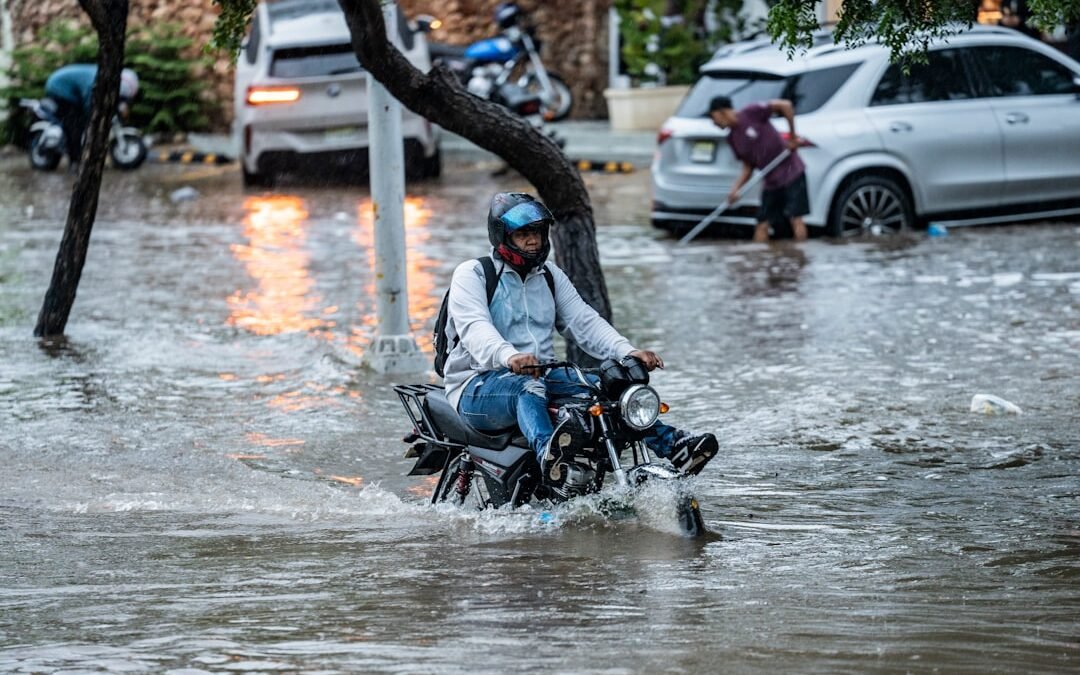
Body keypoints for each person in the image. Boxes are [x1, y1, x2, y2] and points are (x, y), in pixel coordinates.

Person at [442, 192, 719, 482]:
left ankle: (676, 446)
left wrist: (627, 351)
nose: (533, 241)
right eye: (523, 234)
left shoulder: (549, 275)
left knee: (611, 387)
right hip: (478, 384)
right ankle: (552, 463)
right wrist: (508, 356)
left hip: (542, 375)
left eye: (537, 232)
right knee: (528, 388)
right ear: (502, 235)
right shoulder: (473, 274)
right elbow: (475, 328)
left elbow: (583, 321)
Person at [709, 96, 808, 243]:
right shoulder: (732, 139)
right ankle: (760, 261)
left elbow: (785, 105)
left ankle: (801, 258)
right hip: (771, 181)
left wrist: (792, 137)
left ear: (722, 112)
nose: (714, 123)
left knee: (796, 219)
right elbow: (748, 167)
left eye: (713, 117)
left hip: (791, 172)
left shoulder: (751, 112)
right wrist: (736, 189)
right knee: (762, 224)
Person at [43, 64, 140, 169]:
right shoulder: (96, 82)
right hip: (59, 87)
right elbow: (89, 104)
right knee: (75, 124)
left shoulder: (106, 77)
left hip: (71, 89)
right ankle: (75, 161)